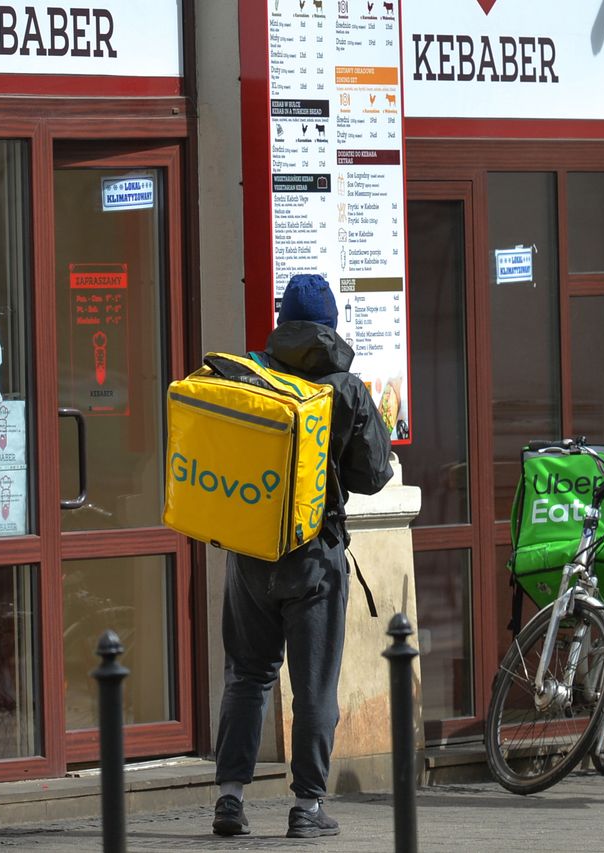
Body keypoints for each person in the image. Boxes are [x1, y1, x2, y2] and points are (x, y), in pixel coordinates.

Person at [211, 273, 394, 838]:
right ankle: (308, 807)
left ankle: (229, 800)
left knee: (247, 675)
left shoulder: (255, 374)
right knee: (313, 686)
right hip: (315, 558)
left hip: (251, 551)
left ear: (283, 320)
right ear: (332, 324)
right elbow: (374, 477)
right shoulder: (346, 388)